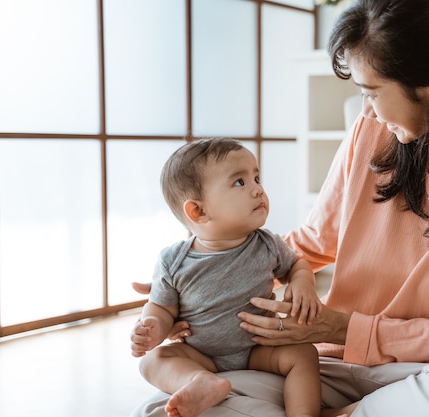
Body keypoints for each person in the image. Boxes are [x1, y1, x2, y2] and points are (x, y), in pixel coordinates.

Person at [131, 0, 429, 416]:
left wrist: (340, 327)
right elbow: (313, 242)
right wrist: (209, 276)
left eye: (372, 92)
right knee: (155, 407)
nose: (367, 109)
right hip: (325, 367)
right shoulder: (372, 131)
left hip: (417, 372)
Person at [130, 138, 331, 417]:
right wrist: (153, 326)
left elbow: (296, 265)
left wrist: (302, 283)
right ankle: (200, 381)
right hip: (201, 356)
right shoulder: (172, 260)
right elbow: (162, 308)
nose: (258, 189)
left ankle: (304, 414)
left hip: (259, 348)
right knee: (153, 361)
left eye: (257, 178)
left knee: (304, 354)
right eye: (240, 182)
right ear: (198, 211)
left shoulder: (266, 244)